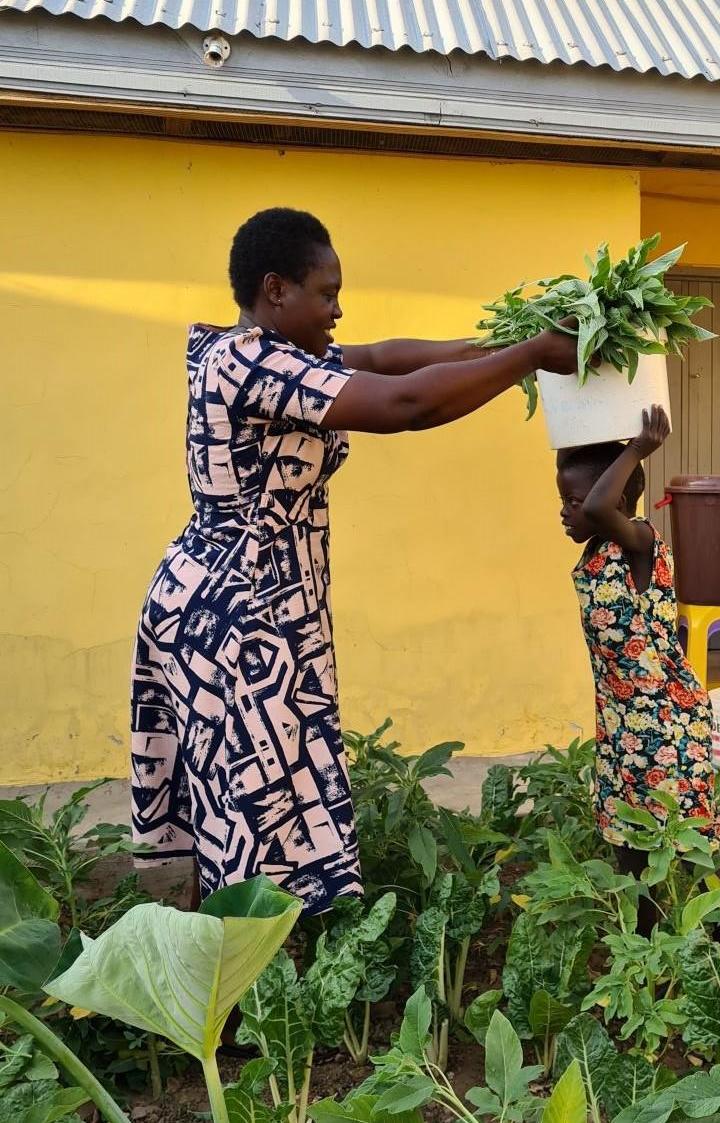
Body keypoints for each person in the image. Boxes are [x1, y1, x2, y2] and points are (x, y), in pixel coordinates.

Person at [131, 207, 578, 914]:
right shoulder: (249, 361)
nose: (338, 309)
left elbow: (384, 358)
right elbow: (404, 403)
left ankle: (243, 990)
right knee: (249, 820)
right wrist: (527, 358)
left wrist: (508, 340)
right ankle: (238, 1003)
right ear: (275, 290)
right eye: (326, 292)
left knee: (256, 815)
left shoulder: (278, 356)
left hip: (263, 606)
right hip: (234, 617)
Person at [557, 406, 720, 946]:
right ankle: (645, 946)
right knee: (628, 840)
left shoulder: (639, 542)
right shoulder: (593, 554)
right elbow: (587, 494)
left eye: (572, 501)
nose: (566, 512)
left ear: (616, 500)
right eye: (561, 500)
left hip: (665, 721)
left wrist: (638, 447)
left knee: (691, 843)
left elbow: (597, 504)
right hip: (621, 724)